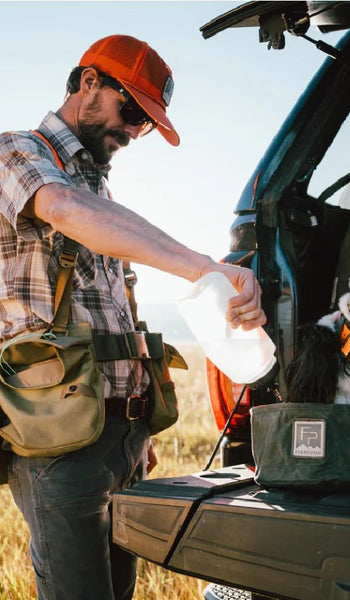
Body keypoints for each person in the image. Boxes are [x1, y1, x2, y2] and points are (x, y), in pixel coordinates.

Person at [0, 34, 266, 600]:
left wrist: (135, 424)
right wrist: (205, 270)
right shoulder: (16, 153)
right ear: (88, 83)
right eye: (133, 112)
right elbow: (63, 209)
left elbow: (119, 310)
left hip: (120, 435)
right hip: (60, 438)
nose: (134, 133)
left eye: (146, 123)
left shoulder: (101, 188)